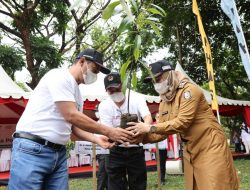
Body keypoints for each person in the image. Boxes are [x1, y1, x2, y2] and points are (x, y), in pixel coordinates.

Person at [8, 48, 133, 190]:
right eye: (95, 69)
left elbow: (74, 128)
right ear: (82, 61)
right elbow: (71, 115)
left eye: (98, 72)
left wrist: (97, 139)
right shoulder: (59, 76)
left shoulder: (78, 94)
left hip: (58, 153)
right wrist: (109, 132)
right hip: (32, 148)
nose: (96, 74)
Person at [127, 60, 239, 190]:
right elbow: (162, 132)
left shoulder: (190, 90)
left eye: (158, 78)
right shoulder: (164, 100)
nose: (156, 84)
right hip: (190, 150)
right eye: (153, 81)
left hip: (210, 146)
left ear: (169, 74)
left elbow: (182, 122)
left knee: (216, 186)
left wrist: (148, 127)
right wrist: (141, 138)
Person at [98, 72, 153, 190]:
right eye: (110, 91)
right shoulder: (104, 105)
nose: (114, 92)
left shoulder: (136, 98)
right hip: (115, 152)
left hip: (135, 149)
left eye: (116, 88)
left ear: (122, 85)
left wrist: (144, 127)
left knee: (139, 185)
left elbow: (148, 117)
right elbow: (108, 131)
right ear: (106, 91)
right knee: (115, 186)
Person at [155, 113, 168, 185]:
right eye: (157, 117)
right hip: (157, 148)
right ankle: (160, 179)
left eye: (160, 117)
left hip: (164, 148)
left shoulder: (164, 126)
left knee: (163, 164)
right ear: (156, 118)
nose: (158, 118)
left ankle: (162, 178)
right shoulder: (154, 126)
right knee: (159, 164)